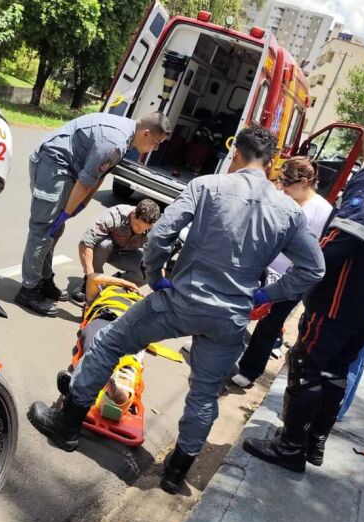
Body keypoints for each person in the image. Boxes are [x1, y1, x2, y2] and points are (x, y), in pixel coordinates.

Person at [27, 125, 326, 495]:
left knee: (108, 345)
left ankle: (67, 424)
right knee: (204, 393)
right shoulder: (289, 212)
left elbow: (163, 232)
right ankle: (175, 473)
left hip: (180, 301)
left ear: (237, 155)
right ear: (271, 163)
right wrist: (265, 297)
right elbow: (314, 269)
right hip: (231, 316)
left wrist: (155, 274)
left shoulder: (208, 186)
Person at [243, 112, 364, 473]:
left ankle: (290, 446)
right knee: (336, 371)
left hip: (344, 297)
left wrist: (304, 271)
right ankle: (313, 442)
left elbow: (343, 237)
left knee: (307, 365)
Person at [16, 112, 171, 317]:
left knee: (55, 229)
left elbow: (99, 175)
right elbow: (84, 183)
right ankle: (28, 289)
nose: (156, 148)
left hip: (69, 168)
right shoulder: (114, 142)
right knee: (43, 228)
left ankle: (43, 279)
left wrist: (82, 204)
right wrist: (66, 212)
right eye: (156, 142)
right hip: (53, 162)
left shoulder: (126, 140)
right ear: (146, 133)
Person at [231, 157, 333, 389]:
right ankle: (212, 348)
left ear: (305, 181)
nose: (281, 186)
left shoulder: (324, 211)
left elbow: (318, 253)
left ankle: (249, 370)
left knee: (270, 324)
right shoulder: (281, 199)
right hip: (262, 266)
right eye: (280, 180)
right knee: (235, 306)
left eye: (286, 182)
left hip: (292, 278)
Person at [70, 198, 161, 304]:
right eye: (138, 225)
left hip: (128, 253)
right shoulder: (115, 216)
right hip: (107, 250)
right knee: (103, 245)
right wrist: (90, 275)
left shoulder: (156, 229)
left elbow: (157, 256)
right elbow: (86, 243)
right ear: (133, 214)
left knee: (147, 271)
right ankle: (89, 283)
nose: (140, 231)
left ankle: (111, 286)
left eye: (144, 229)